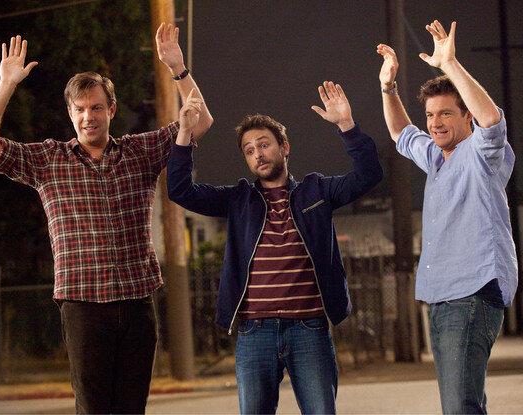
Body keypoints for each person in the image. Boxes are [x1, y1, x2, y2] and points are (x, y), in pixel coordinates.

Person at [0, 23, 212, 414]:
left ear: (111, 110)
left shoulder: (139, 151)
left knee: (131, 408)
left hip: (136, 301)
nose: (88, 117)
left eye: (96, 107)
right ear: (70, 113)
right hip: (83, 305)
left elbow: (200, 123)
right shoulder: (48, 160)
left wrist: (178, 70)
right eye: (79, 109)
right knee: (93, 408)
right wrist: (6, 85)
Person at [167, 81, 383, 414]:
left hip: (309, 328)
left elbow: (369, 174)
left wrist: (346, 125)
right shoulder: (239, 199)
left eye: (264, 144)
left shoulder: (317, 191)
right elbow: (180, 191)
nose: (257, 154)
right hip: (255, 332)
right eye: (249, 150)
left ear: (284, 147)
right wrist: (184, 135)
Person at [377, 20, 518, 414]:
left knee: (460, 406)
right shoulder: (436, 158)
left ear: (466, 116)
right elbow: (401, 133)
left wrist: (450, 65)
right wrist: (388, 87)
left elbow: (492, 121)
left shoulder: (481, 153)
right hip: (441, 297)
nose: (435, 123)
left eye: (445, 114)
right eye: (430, 114)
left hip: (472, 293)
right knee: (461, 404)